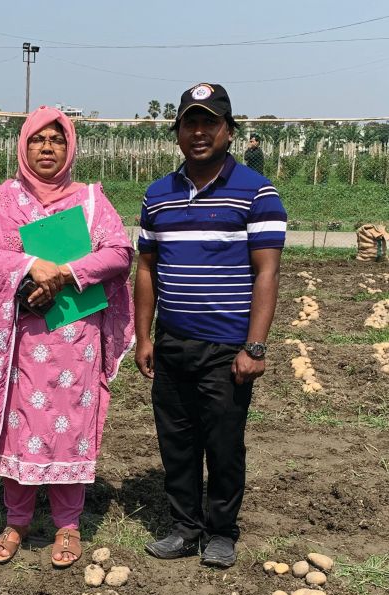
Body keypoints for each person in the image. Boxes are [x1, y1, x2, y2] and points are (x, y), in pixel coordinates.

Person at [0, 105, 134, 568]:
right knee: (19, 429)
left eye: (56, 140)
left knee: (70, 429)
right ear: (24, 145)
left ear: (69, 147)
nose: (47, 147)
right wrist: (29, 268)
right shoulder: (0, 200)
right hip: (19, 338)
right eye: (38, 139)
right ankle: (16, 521)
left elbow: (118, 252)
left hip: (76, 340)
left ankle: (68, 527)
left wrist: (68, 272)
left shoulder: (91, 201)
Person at [134, 83, 286, 568]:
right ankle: (184, 527)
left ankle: (221, 530)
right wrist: (144, 335)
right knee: (176, 441)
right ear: (178, 132)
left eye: (209, 123)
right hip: (173, 341)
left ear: (229, 131)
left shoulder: (257, 193)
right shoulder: (158, 195)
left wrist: (255, 347)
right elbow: (146, 269)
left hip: (227, 348)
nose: (198, 132)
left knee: (223, 443)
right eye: (189, 123)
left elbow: (267, 272)